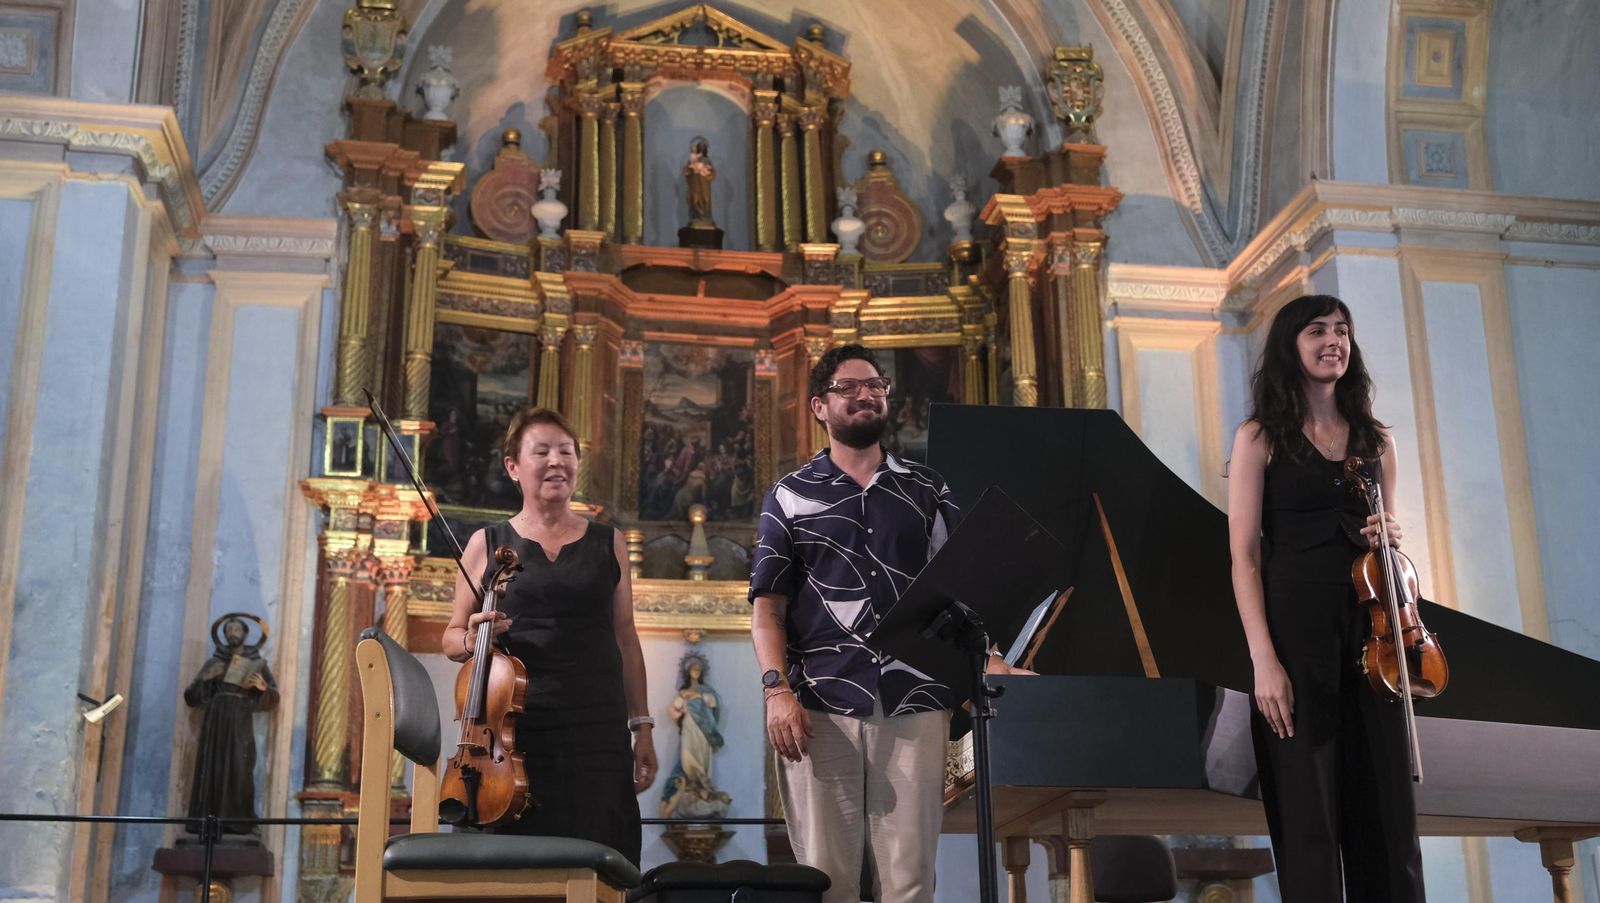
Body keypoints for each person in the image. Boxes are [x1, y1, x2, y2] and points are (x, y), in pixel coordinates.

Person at [749, 344, 1027, 903]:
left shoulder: (927, 489)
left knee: (910, 877)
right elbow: (768, 611)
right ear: (819, 407)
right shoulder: (791, 495)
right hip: (820, 702)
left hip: (916, 697)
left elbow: (962, 592)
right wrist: (777, 690)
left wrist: (992, 658)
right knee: (828, 880)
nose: (865, 395)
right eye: (848, 388)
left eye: (874, 385)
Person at [1226, 295, 1424, 901]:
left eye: (1342, 330)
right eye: (1318, 331)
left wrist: (1390, 533)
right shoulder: (1260, 438)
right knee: (1308, 825)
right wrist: (1264, 660)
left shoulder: (1377, 440)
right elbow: (1245, 558)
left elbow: (1385, 548)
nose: (1333, 340)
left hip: (1372, 643)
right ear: (1292, 344)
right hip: (1295, 638)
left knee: (1389, 824)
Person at [444, 407, 657, 865]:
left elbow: (626, 638)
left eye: (567, 451)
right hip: (515, 731)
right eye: (541, 451)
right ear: (513, 467)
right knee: (515, 867)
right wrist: (473, 637)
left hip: (597, 729)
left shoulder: (609, 541)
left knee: (601, 854)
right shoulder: (487, 541)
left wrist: (642, 727)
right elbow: (451, 637)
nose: (557, 461)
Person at [184, 616, 278, 835]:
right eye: (229, 629)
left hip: (240, 719)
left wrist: (263, 688)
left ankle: (240, 820)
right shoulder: (214, 663)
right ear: (224, 635)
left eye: (237, 628)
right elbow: (191, 696)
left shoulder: (257, 663)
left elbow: (273, 697)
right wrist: (206, 678)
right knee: (212, 767)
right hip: (216, 721)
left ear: (245, 633)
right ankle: (208, 821)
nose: (233, 632)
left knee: (240, 766)